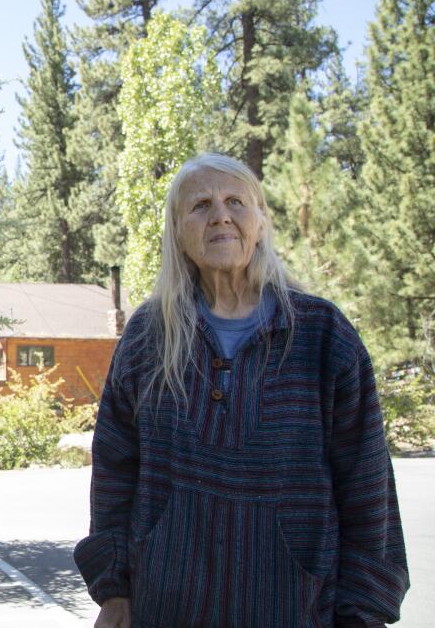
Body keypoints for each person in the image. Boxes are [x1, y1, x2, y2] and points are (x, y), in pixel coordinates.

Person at [74, 153, 409, 627]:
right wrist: (114, 590)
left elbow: (366, 483)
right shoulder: (149, 335)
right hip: (168, 606)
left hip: (297, 608)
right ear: (177, 231)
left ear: (260, 223)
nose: (221, 215)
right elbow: (114, 470)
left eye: (236, 201)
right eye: (201, 205)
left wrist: (362, 611)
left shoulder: (322, 333)